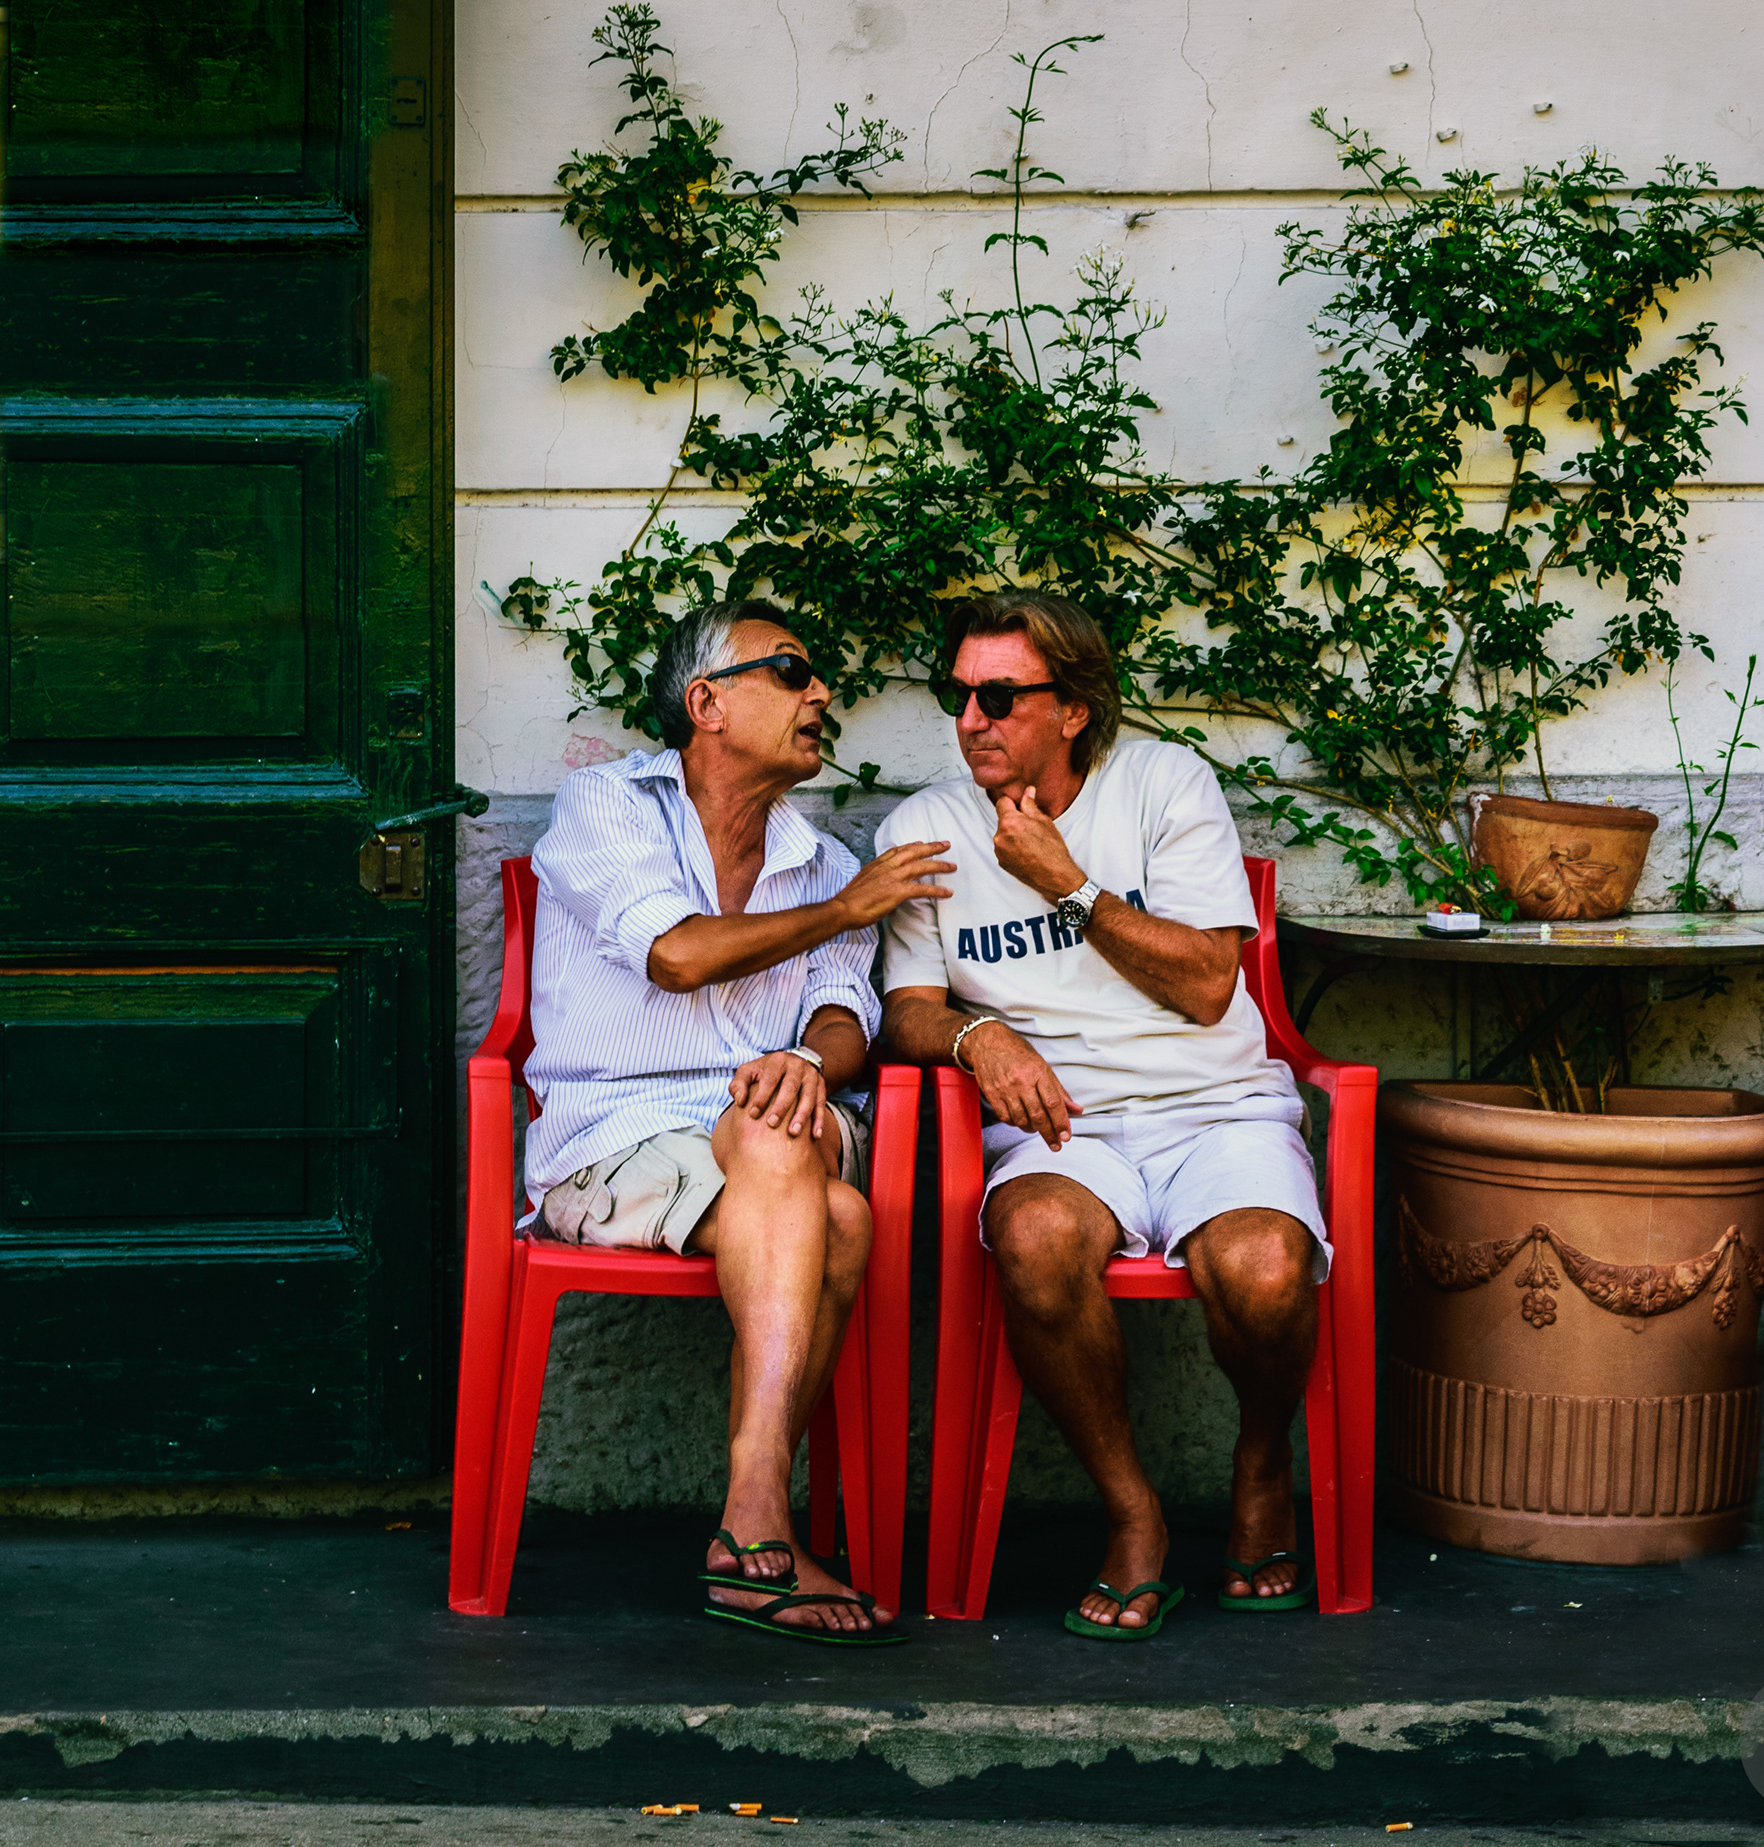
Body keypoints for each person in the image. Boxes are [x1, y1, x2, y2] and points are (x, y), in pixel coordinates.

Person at [877, 589, 1329, 1639]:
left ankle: (1262, 1462)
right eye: (961, 695)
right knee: (1033, 1237)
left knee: (1264, 1270)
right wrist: (973, 1037)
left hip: (1213, 1109)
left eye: (999, 695)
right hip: (1058, 1129)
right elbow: (906, 1006)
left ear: (1073, 707)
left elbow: (1213, 982)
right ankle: (1134, 1511)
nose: (971, 719)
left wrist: (1068, 883)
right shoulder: (926, 827)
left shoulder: (1165, 786)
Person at [523, 597, 954, 1645]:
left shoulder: (828, 862)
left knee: (774, 1120)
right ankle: (762, 1518)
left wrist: (808, 1058)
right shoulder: (607, 806)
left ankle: (750, 1515)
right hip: (615, 1140)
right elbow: (674, 955)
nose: (823, 696)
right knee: (842, 1222)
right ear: (705, 702)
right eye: (794, 672)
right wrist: (842, 916)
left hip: (783, 1124)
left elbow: (847, 1019)